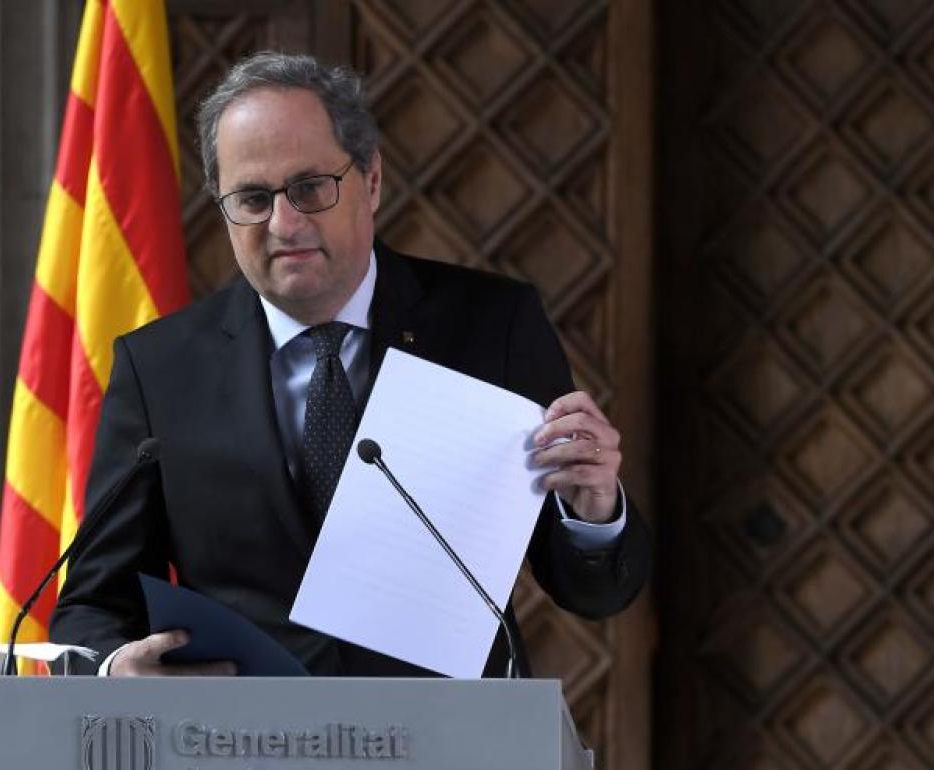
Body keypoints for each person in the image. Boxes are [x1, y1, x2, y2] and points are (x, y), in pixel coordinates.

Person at [50, 52, 650, 677]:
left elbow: (596, 592)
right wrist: (115, 668)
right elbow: (92, 604)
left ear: (372, 181)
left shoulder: (491, 328)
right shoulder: (159, 369)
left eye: (310, 188)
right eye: (252, 198)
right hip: (246, 727)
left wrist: (593, 510)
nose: (284, 223)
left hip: (449, 724)